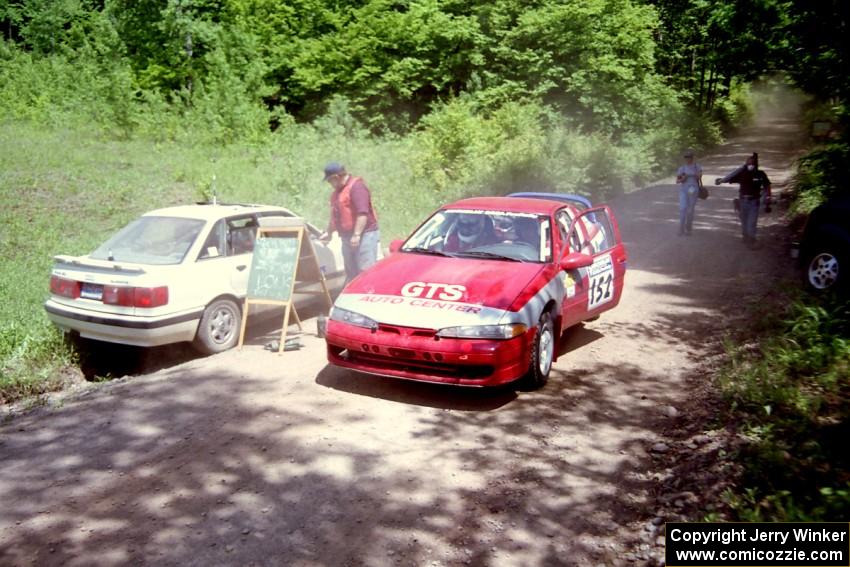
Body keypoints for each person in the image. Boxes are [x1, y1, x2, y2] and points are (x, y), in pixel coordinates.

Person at [320, 162, 380, 282]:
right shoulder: (337, 193)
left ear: (336, 177)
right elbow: (335, 217)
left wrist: (356, 235)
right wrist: (329, 233)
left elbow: (363, 213)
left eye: (329, 181)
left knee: (365, 271)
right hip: (347, 237)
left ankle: (368, 296)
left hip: (365, 236)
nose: (330, 184)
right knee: (352, 273)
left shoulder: (357, 187)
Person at [715, 153, 772, 248]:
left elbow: (767, 186)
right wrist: (720, 181)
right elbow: (730, 177)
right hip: (743, 201)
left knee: (751, 223)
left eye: (752, 162)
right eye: (748, 162)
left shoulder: (760, 174)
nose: (750, 164)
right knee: (744, 222)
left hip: (754, 202)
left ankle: (752, 240)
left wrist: (767, 198)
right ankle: (746, 237)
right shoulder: (742, 173)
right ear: (745, 163)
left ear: (756, 164)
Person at [675, 149, 704, 236]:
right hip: (683, 190)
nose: (688, 159)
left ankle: (688, 229)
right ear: (685, 158)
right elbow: (677, 180)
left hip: (693, 189)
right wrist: (683, 178)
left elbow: (699, 176)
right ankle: (681, 229)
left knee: (690, 210)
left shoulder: (697, 166)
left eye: (690, 157)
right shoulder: (682, 168)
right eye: (686, 157)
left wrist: (690, 175)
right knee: (682, 208)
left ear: (692, 157)